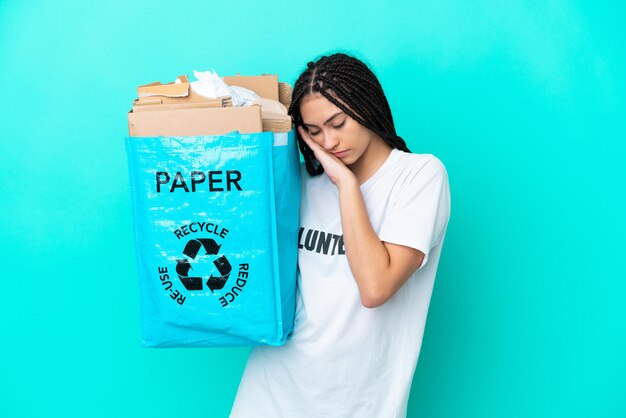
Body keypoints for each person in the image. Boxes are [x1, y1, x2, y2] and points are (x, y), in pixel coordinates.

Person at [230, 52, 451, 418]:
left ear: (367, 107)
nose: (329, 142)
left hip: (358, 402)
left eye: (338, 123)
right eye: (314, 132)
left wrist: (347, 186)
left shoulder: (419, 176)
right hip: (270, 391)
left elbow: (375, 287)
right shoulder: (300, 180)